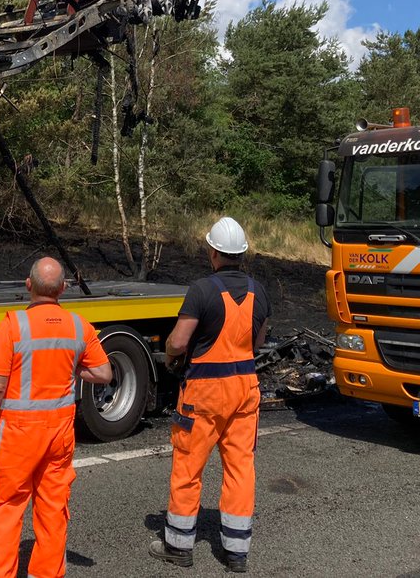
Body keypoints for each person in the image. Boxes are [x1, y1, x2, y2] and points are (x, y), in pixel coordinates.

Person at [0, 256, 113, 578]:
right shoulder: (79, 326)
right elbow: (103, 373)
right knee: (52, 509)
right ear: (62, 289)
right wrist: (74, 366)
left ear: (28, 285)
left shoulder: (13, 325)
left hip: (18, 434)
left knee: (4, 508)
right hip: (59, 432)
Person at [149, 216, 270, 574]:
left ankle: (178, 546)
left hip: (204, 392)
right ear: (242, 254)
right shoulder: (258, 291)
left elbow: (179, 340)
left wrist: (171, 356)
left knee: (188, 467)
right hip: (245, 390)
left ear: (213, 252)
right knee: (240, 468)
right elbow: (259, 341)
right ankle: (236, 552)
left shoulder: (202, 289)